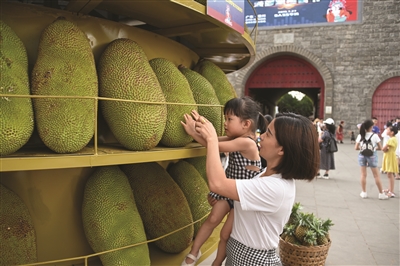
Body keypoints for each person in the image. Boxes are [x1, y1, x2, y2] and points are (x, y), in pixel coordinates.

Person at [183, 112, 319, 265]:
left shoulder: (275, 188)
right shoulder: (264, 175)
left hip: (253, 260)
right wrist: (223, 194)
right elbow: (228, 189)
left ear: (281, 149)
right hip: (239, 253)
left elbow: (217, 183)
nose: (261, 137)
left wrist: (211, 138)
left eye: (269, 133)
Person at [180, 97, 268, 266]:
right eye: (225, 118)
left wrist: (194, 133)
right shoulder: (236, 138)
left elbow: (213, 144)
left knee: (225, 233)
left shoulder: (247, 143)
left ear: (246, 124)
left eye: (229, 119)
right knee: (213, 219)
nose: (225, 123)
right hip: (229, 191)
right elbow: (212, 140)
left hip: (242, 198)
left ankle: (218, 261)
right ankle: (194, 252)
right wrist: (199, 127)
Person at [355, 119, 388, 200]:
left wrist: (363, 148)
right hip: (372, 156)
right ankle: (381, 193)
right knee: (376, 175)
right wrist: (373, 148)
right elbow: (380, 148)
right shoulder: (375, 136)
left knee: (363, 175)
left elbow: (356, 148)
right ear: (371, 127)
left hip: (362, 155)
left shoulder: (360, 135)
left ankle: (364, 192)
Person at [381, 125, 399, 197]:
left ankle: (391, 191)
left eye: (388, 130)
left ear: (392, 132)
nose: (386, 131)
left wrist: (385, 149)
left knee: (390, 174)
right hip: (389, 156)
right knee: (389, 174)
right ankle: (390, 189)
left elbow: (383, 149)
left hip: (390, 157)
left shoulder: (391, 140)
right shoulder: (393, 138)